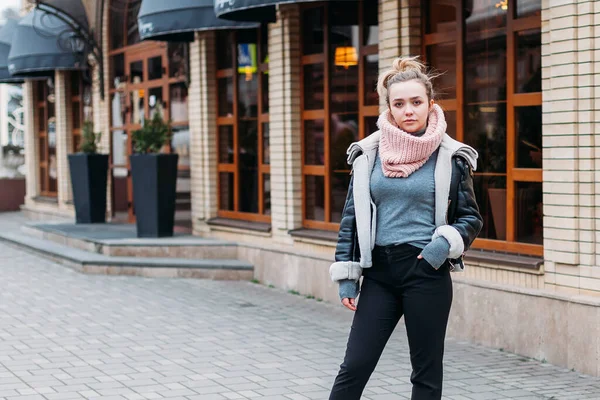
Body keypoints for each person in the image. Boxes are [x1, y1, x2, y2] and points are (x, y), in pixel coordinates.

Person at [328, 56, 483, 400]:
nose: (408, 110)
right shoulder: (368, 154)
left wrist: (438, 251)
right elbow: (351, 218)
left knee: (425, 373)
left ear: (430, 105)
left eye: (416, 102)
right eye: (399, 104)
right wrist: (348, 276)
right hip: (380, 274)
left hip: (426, 271)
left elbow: (471, 218)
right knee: (354, 365)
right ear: (389, 108)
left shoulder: (451, 156)